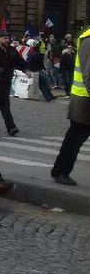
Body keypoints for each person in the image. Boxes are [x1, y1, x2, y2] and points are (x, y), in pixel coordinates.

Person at [51, 26, 90, 186]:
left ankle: (60, 170)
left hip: (85, 99)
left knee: (74, 138)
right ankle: (60, 171)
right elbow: (89, 75)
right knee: (74, 139)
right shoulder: (89, 40)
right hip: (84, 101)